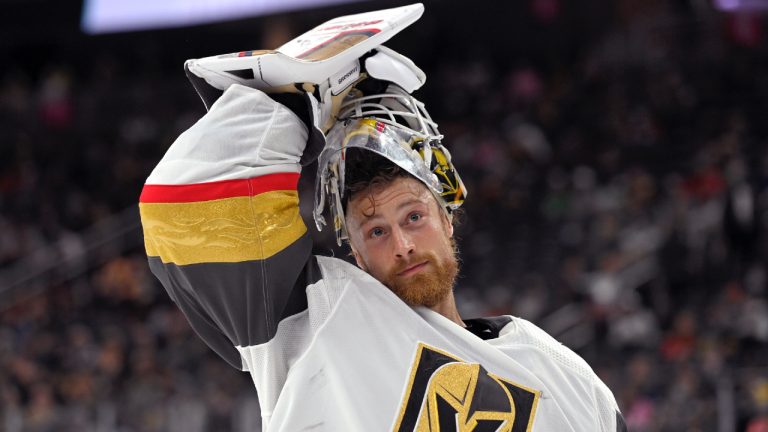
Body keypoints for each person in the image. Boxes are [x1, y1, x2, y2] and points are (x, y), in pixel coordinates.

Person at [138, 18, 626, 432]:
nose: (402, 245)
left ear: (448, 218)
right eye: (375, 232)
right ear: (351, 249)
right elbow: (186, 208)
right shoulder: (316, 320)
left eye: (414, 217)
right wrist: (292, 103)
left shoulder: (564, 375)